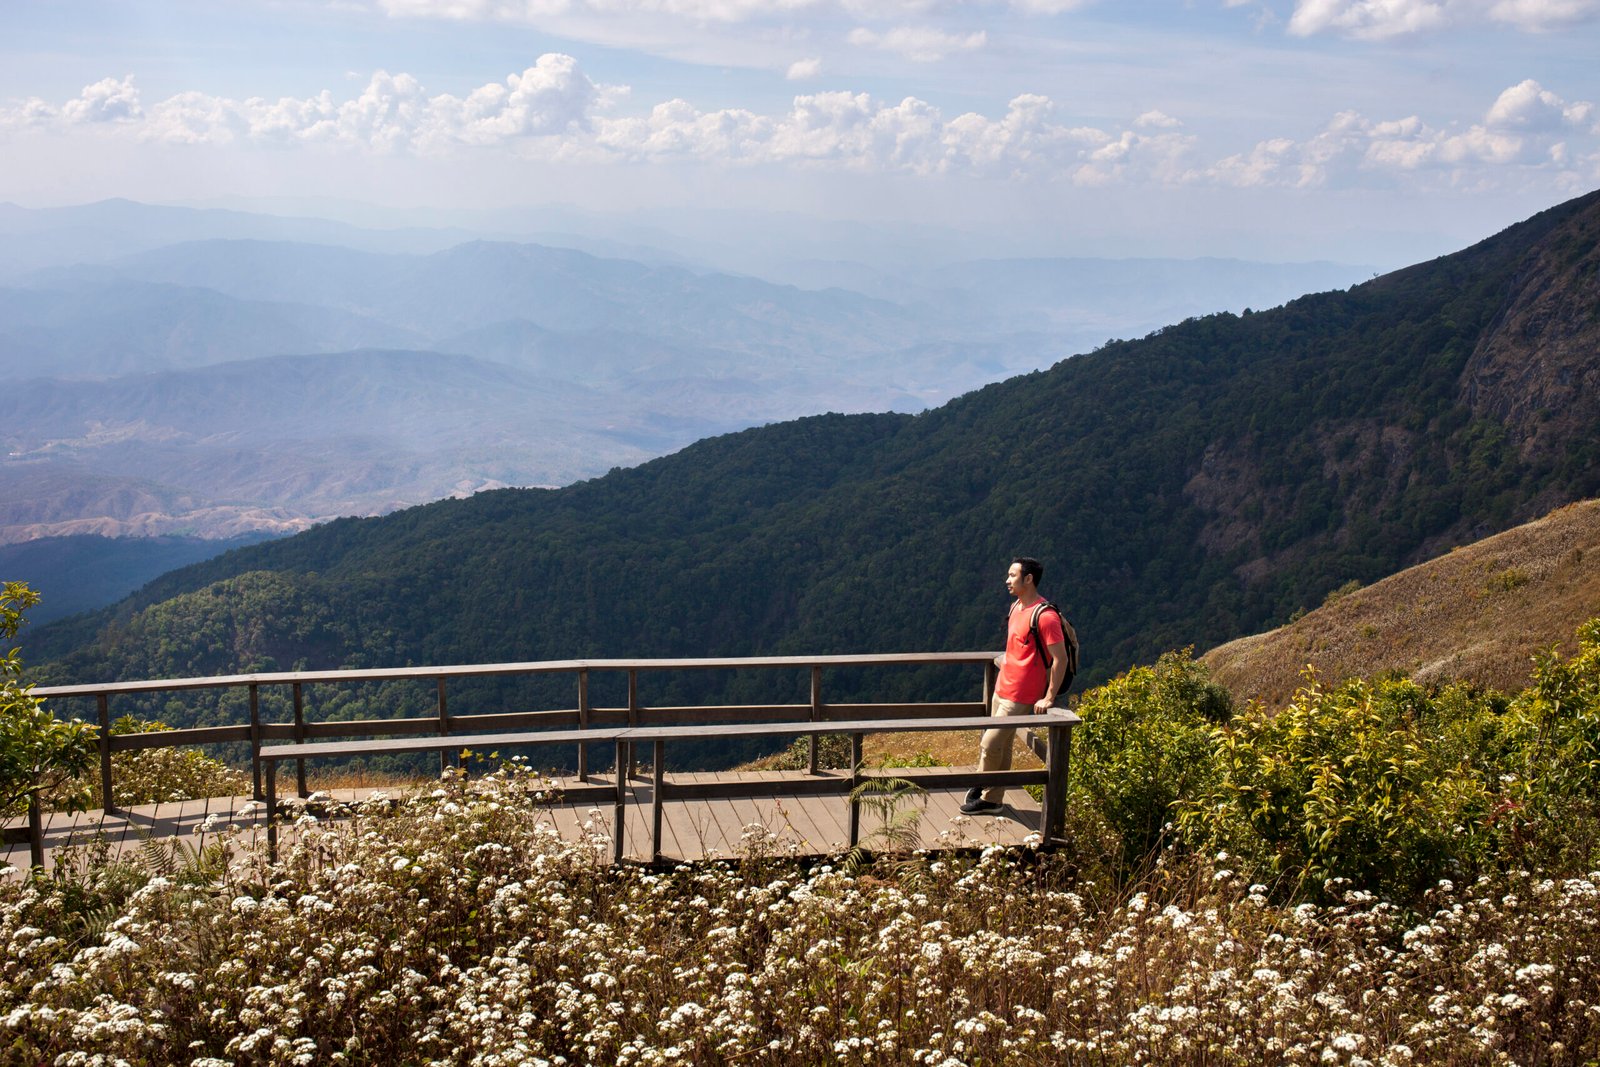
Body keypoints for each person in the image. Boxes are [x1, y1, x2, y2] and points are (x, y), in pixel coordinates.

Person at [960, 556, 1069, 816]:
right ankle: (993, 800)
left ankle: (980, 785)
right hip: (1002, 687)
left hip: (1021, 695)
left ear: (1028, 579)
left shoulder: (1045, 616)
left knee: (989, 744)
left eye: (1012, 575)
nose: (1007, 580)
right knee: (1002, 745)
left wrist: (1049, 696)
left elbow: (1060, 658)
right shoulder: (1016, 607)